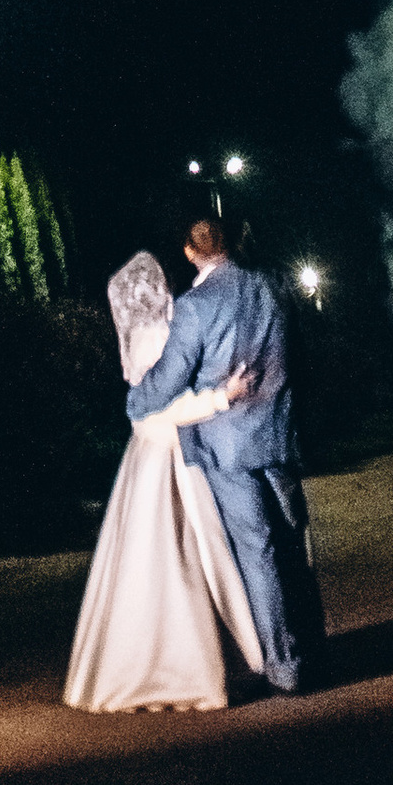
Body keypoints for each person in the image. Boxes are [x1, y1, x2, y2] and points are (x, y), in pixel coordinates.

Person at [124, 214, 321, 695]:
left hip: (225, 444)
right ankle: (315, 649)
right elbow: (304, 352)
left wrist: (136, 401)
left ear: (190, 253)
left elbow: (170, 377)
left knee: (259, 553)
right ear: (230, 245)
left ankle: (284, 664)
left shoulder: (196, 306)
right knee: (295, 545)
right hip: (276, 433)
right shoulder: (274, 289)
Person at [62, 248, 264, 711]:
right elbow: (165, 409)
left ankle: (129, 668)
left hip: (141, 460)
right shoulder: (157, 336)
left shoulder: (133, 338)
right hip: (170, 455)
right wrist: (221, 398)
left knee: (138, 563)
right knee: (184, 558)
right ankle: (182, 672)